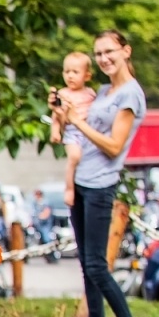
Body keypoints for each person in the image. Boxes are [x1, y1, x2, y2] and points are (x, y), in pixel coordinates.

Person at [51, 29, 150, 317]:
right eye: (99, 53)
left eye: (110, 51)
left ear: (126, 51)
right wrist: (65, 117)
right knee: (86, 264)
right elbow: (78, 131)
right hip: (80, 180)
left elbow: (114, 146)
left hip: (100, 184)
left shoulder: (130, 95)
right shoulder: (105, 90)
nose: (104, 58)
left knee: (97, 265)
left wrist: (78, 119)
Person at [49, 52, 97, 209]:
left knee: (87, 161)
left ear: (87, 76)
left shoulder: (90, 94)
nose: (70, 76)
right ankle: (69, 189)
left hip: (88, 133)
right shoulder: (63, 94)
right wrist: (55, 132)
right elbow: (56, 116)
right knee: (74, 158)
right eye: (67, 71)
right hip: (72, 133)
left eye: (75, 72)